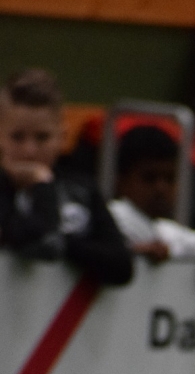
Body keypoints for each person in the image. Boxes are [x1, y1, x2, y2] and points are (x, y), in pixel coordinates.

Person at [0, 68, 132, 285]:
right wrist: (41, 184)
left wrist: (65, 243)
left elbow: (121, 266)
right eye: (17, 137)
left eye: (42, 138)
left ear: (62, 137)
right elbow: (34, 238)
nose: (29, 150)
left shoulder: (81, 189)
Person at [109, 126, 195, 275]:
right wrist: (127, 253)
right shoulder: (113, 216)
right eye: (149, 178)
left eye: (170, 178)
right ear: (120, 181)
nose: (161, 188)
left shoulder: (163, 229)